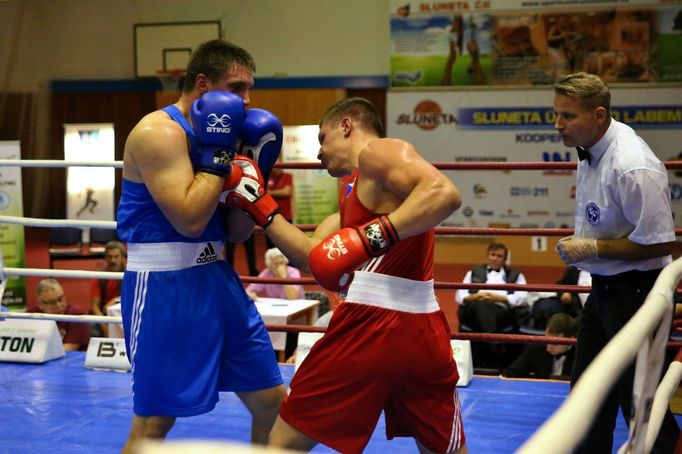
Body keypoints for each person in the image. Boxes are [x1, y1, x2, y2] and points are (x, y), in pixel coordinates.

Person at [222, 97, 467, 453]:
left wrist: (371, 237)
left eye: (323, 138)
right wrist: (261, 205)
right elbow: (313, 258)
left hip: (368, 328)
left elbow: (445, 193)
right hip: (424, 334)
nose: (319, 152)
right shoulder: (356, 195)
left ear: (347, 126)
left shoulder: (378, 152)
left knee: (283, 443)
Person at [116, 39, 286, 453]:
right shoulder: (158, 132)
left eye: (250, 89)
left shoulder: (229, 135)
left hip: (218, 280)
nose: (247, 100)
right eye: (237, 87)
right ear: (203, 83)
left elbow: (237, 234)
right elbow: (190, 220)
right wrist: (217, 157)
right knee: (155, 420)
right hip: (165, 286)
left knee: (275, 406)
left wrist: (252, 181)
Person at [553, 72, 679, 453]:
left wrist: (591, 247)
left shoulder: (632, 164)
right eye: (556, 114)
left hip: (637, 292)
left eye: (568, 116)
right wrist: (590, 249)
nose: (558, 125)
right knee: (587, 398)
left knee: (638, 401)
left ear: (599, 115)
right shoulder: (592, 145)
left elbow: (660, 244)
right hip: (604, 291)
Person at [455, 242, 529, 333]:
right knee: (480, 307)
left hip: (501, 311)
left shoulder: (516, 274)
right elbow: (460, 296)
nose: (495, 259)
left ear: (505, 259)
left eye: (499, 256)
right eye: (492, 255)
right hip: (474, 308)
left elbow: (523, 297)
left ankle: (487, 343)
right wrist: (477, 296)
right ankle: (494, 343)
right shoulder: (473, 272)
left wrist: (500, 298)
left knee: (486, 315)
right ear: (488, 256)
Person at [501, 313, 577, 379]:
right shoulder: (536, 349)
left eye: (555, 343)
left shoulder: (581, 355)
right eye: (547, 341)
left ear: (571, 339)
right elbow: (511, 373)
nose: (548, 347)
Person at [26, 278, 89, 351]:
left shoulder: (76, 315)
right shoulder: (32, 315)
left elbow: (67, 351)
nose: (59, 305)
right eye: (52, 302)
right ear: (40, 304)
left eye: (60, 299)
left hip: (70, 361)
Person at [526, 265, 583, 330]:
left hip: (588, 315)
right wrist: (564, 294)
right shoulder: (574, 269)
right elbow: (560, 286)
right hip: (574, 313)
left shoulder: (595, 272)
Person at [89, 240, 127, 337]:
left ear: (123, 257)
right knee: (92, 331)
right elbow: (95, 307)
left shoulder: (130, 275)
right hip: (104, 316)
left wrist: (115, 300)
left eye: (116, 256)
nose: (113, 260)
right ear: (105, 258)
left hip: (125, 316)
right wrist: (105, 326)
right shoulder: (100, 276)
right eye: (110, 257)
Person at [265, 163, 293, 249]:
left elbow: (286, 192)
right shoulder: (268, 177)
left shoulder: (287, 176)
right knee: (271, 245)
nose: (276, 168)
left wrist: (269, 193)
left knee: (288, 244)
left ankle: (288, 263)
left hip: (285, 216)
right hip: (271, 215)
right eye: (274, 166)